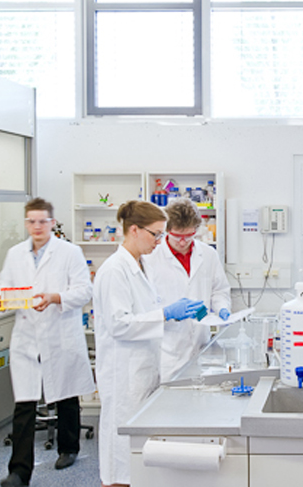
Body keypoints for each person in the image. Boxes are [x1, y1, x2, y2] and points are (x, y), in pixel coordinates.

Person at [93, 201, 205, 487]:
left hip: (143, 370)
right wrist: (165, 314)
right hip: (124, 376)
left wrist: (170, 313)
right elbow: (119, 324)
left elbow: (144, 313)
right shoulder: (114, 271)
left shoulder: (141, 266)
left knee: (138, 460)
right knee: (120, 462)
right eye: (155, 234)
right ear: (134, 230)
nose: (159, 241)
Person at [0, 198, 94, 487]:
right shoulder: (15, 254)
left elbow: (84, 291)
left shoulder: (69, 252)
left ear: (52, 222)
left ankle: (69, 448)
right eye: (31, 221)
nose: (37, 226)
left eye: (42, 221)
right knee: (24, 403)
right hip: (27, 336)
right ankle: (19, 472)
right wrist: (1, 296)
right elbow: (4, 284)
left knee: (65, 394)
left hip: (60, 332)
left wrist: (55, 298)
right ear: (26, 223)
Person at [143, 198, 231, 382]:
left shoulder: (208, 254)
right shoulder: (151, 258)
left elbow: (219, 290)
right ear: (167, 230)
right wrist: (167, 313)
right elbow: (144, 304)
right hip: (166, 351)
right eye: (177, 236)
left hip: (201, 345)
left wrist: (222, 308)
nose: (183, 242)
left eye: (189, 236)